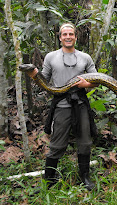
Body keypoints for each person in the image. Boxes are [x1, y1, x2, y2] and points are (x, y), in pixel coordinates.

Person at [26, 23, 98, 190]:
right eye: (64, 34)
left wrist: (87, 84)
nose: (68, 37)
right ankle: (49, 179)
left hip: (80, 104)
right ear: (60, 38)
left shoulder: (85, 57)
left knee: (85, 142)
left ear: (75, 37)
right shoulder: (51, 57)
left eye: (71, 34)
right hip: (61, 104)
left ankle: (85, 177)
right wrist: (34, 75)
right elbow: (44, 80)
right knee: (57, 143)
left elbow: (96, 80)